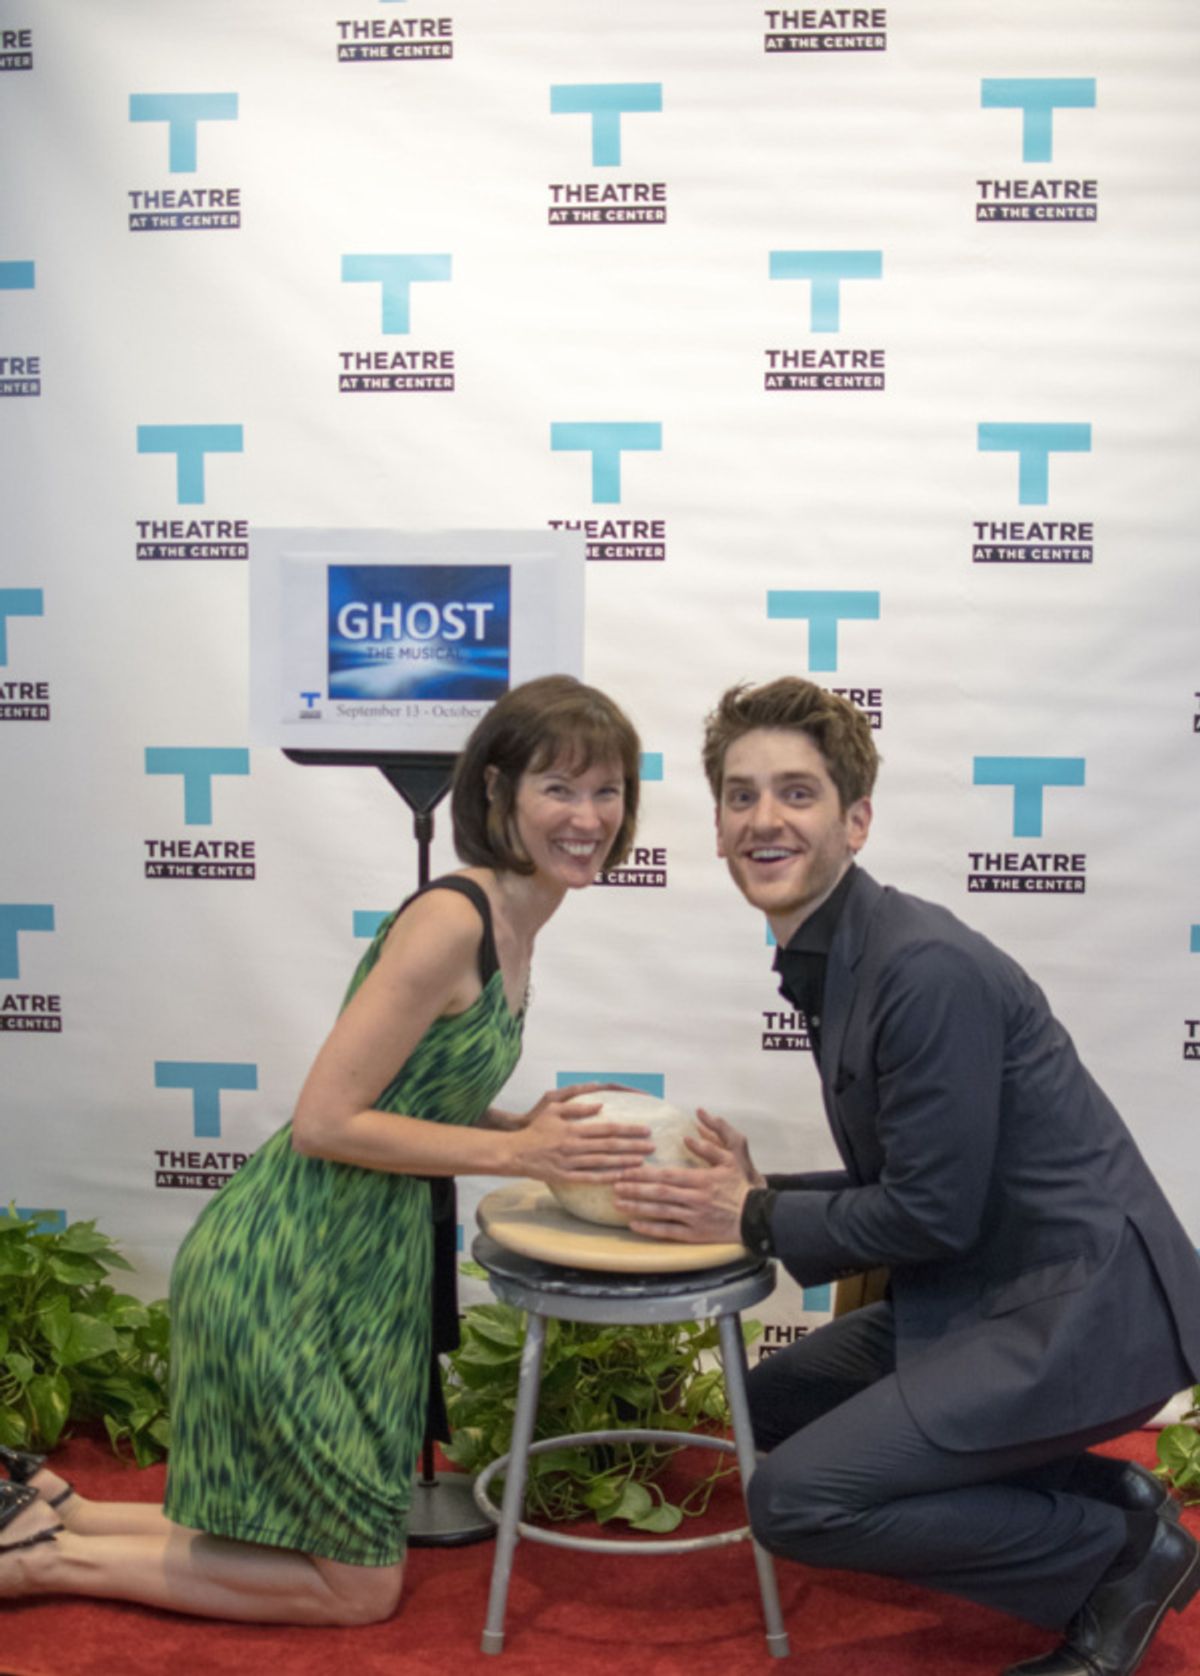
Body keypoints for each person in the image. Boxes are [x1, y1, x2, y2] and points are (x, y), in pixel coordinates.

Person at [0, 674, 652, 1624]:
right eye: (560, 787)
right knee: (357, 1590)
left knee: (336, 1548)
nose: (588, 815)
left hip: (358, 1264)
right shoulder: (452, 919)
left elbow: (408, 1086)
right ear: (499, 791)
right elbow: (326, 1120)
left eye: (608, 790)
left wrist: (513, 1124)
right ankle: (39, 1568)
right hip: (292, 1264)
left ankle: (61, 1516)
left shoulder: (521, 915)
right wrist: (524, 1159)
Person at [613, 677, 1200, 1676]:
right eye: (741, 794)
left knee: (792, 1498)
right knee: (769, 1405)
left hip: (1078, 1306)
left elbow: (931, 1208)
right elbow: (930, 1173)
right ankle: (1114, 1497)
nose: (765, 818)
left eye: (797, 792)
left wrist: (753, 1215)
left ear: (857, 818)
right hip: (986, 1282)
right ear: (714, 823)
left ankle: (1117, 1557)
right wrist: (763, 1192)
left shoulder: (920, 967)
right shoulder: (839, 950)